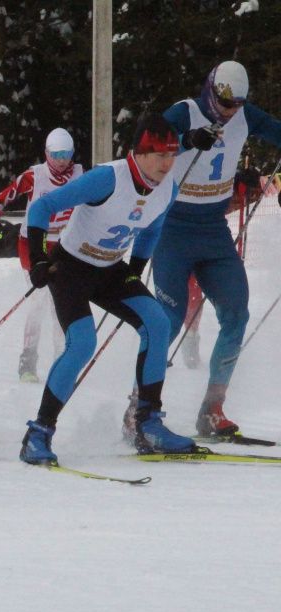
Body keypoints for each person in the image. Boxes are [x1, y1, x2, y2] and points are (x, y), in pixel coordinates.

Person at [18, 114, 195, 465]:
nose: (167, 163)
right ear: (139, 153)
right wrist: (38, 258)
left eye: (172, 154)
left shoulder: (168, 186)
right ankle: (38, 433)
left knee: (157, 323)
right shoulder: (107, 178)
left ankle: (146, 424)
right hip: (70, 267)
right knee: (83, 342)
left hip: (111, 268)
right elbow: (42, 206)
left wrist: (136, 269)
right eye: (159, 154)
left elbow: (151, 229)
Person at [153, 60, 281, 438]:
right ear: (211, 89)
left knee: (236, 314)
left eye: (237, 104)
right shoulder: (184, 112)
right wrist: (187, 140)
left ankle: (212, 408)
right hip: (173, 228)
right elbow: (148, 145)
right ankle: (140, 407)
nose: (230, 112)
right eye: (225, 103)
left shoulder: (244, 115)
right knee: (169, 320)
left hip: (213, 230)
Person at [0, 127, 82, 382]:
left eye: (67, 154)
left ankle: (61, 363)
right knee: (39, 301)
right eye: (56, 154)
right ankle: (27, 362)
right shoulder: (34, 176)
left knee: (59, 304)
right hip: (32, 244)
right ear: (47, 153)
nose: (62, 160)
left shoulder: (81, 175)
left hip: (63, 246)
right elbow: (0, 200)